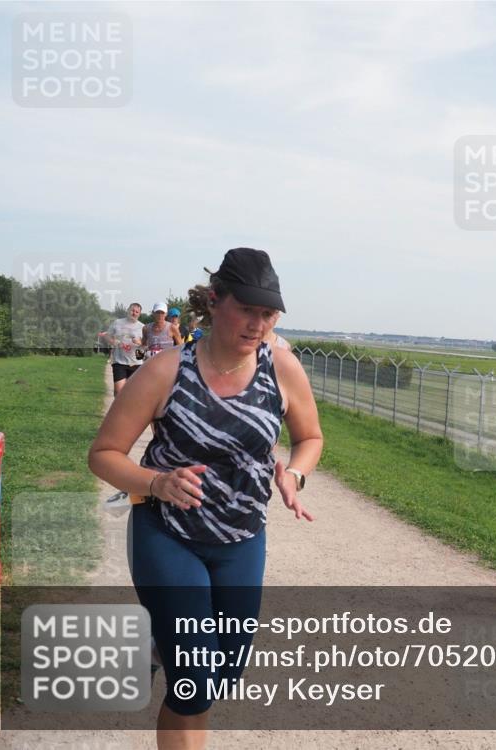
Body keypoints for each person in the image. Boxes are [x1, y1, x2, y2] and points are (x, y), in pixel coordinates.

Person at [89, 248, 323, 749]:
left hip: (241, 536)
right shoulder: (166, 371)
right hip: (168, 532)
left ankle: (159, 647)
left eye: (269, 314)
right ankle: (172, 651)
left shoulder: (282, 369)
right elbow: (104, 454)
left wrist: (295, 477)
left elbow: (310, 439)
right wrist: (155, 482)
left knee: (223, 674)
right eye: (247, 309)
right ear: (216, 301)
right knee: (193, 686)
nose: (258, 324)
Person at [105, 302, 144, 395]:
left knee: (132, 393)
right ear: (128, 310)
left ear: (139, 314)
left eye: (136, 312)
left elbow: (147, 344)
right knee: (118, 391)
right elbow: (107, 336)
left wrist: (140, 342)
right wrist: (113, 342)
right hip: (119, 361)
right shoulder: (117, 322)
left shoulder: (142, 327)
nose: (134, 313)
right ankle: (118, 408)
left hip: (136, 363)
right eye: (132, 310)